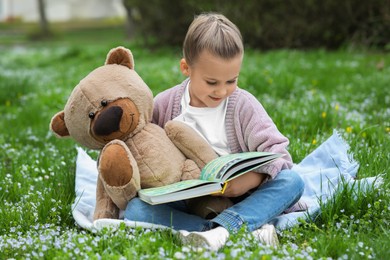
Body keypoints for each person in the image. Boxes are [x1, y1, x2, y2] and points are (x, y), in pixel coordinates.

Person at [124, 12, 305, 251]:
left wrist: (250, 180)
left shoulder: (243, 105)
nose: (222, 91)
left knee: (292, 181)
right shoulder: (164, 104)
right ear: (186, 67)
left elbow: (279, 154)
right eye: (211, 82)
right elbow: (143, 146)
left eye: (232, 80)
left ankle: (212, 230)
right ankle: (226, 231)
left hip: (245, 197)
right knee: (135, 209)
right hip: (189, 201)